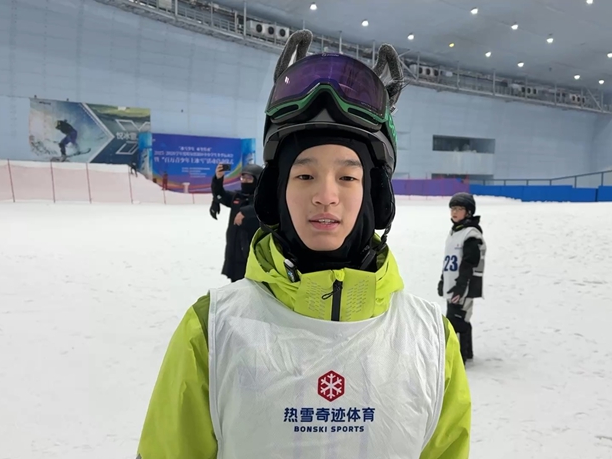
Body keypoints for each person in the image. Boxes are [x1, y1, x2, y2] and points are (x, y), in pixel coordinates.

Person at [137, 30, 470, 458]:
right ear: (277, 190)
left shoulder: (432, 340)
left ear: (375, 195)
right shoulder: (212, 330)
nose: (326, 195)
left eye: (348, 176)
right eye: (305, 175)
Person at [438, 192, 486, 365]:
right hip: (452, 284)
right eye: (453, 208)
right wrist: (443, 280)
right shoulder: (455, 232)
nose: (454, 212)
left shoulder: (471, 234)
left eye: (459, 209)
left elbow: (469, 264)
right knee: (460, 318)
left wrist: (460, 287)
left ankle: (460, 358)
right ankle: (468, 353)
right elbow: (449, 261)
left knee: (456, 320)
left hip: (463, 286)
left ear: (469, 212)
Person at [209, 162, 263, 282]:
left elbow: (265, 206)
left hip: (252, 254)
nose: (245, 181)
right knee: (236, 282)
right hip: (234, 251)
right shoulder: (238, 197)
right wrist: (218, 178)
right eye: (243, 177)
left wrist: (245, 212)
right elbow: (220, 194)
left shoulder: (262, 200)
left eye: (249, 178)